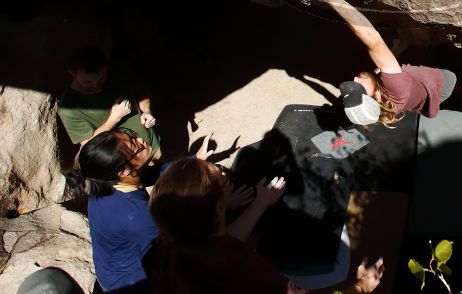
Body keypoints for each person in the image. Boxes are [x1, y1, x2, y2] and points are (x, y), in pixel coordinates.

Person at [146, 157, 384, 294]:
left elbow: (222, 241)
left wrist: (261, 203)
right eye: (222, 176)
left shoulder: (175, 250)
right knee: (341, 247)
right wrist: (360, 287)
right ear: (219, 207)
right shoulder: (247, 271)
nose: (226, 173)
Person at [77, 131, 257, 293]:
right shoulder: (137, 215)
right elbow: (184, 248)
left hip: (112, 267)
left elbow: (152, 173)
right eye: (135, 146)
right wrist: (223, 204)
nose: (140, 140)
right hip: (132, 282)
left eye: (131, 136)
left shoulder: (103, 181)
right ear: (123, 171)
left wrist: (193, 160)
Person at [314, 0, 457, 126]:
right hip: (444, 82)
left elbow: (378, 77)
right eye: (360, 87)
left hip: (414, 93)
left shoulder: (381, 107)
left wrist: (394, 52)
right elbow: (374, 41)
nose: (356, 80)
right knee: (451, 68)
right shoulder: (397, 89)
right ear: (376, 96)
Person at [59, 45, 161, 158]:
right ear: (73, 73)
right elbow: (87, 145)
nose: (96, 85)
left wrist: (146, 110)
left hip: (152, 145)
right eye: (87, 82)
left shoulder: (118, 74)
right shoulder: (69, 107)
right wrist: (114, 118)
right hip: (126, 161)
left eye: (101, 78)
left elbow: (142, 92)